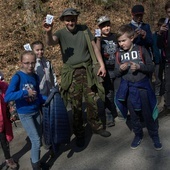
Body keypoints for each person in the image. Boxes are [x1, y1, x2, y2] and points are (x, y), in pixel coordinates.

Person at [43, 8, 111, 148]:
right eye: (67, 20)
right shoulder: (61, 33)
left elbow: (95, 48)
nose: (70, 22)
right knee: (76, 105)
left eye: (73, 19)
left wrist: (101, 65)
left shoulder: (84, 30)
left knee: (92, 101)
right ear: (63, 21)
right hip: (72, 74)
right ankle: (79, 133)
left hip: (87, 71)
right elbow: (50, 42)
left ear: (76, 19)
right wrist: (48, 31)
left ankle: (97, 127)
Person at [114, 24, 162, 151]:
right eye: (119, 41)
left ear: (132, 38)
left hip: (143, 88)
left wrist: (140, 67)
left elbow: (151, 67)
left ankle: (154, 135)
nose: (121, 44)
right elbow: (115, 73)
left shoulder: (141, 50)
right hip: (128, 90)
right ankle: (138, 135)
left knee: (147, 113)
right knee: (134, 115)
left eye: (123, 40)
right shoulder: (118, 54)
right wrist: (120, 69)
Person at [4, 51, 44, 170]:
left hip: (36, 111)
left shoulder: (35, 76)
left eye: (32, 62)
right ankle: (36, 165)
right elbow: (7, 97)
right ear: (21, 63)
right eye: (27, 63)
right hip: (25, 113)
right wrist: (25, 93)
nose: (30, 66)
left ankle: (36, 160)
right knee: (36, 140)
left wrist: (47, 99)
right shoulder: (18, 77)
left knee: (39, 138)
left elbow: (37, 95)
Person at [31, 41, 70, 154]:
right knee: (44, 120)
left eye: (41, 49)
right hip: (41, 96)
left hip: (51, 94)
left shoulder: (47, 62)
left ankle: (56, 139)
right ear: (33, 51)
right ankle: (47, 141)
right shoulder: (33, 65)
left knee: (53, 117)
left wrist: (56, 86)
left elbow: (52, 75)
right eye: (37, 50)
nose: (40, 52)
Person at [95, 16, 118, 127]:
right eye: (103, 26)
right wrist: (98, 39)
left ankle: (120, 110)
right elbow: (97, 52)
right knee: (108, 93)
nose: (106, 28)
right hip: (106, 70)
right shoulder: (98, 39)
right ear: (99, 28)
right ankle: (109, 114)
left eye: (108, 25)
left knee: (118, 90)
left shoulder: (115, 36)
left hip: (117, 68)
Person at [0, 72, 18, 169]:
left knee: (4, 141)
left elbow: (10, 100)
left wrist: (12, 113)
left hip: (2, 119)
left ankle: (8, 159)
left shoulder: (3, 86)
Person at [157, 1, 170, 115]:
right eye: (169, 12)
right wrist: (160, 33)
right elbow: (159, 45)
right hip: (168, 60)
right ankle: (168, 106)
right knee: (168, 84)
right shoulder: (165, 25)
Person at [152, 18, 165, 98]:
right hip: (157, 61)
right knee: (158, 78)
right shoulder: (154, 36)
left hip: (166, 60)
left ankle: (165, 93)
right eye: (161, 26)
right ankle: (157, 93)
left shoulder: (167, 36)